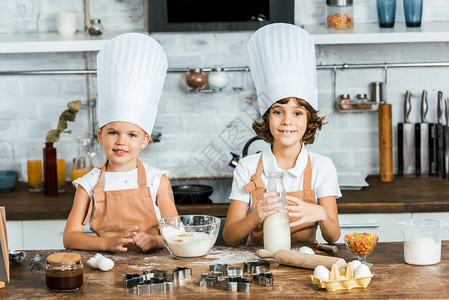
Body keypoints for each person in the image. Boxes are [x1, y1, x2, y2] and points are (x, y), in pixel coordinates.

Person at [223, 23, 341, 247]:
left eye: (297, 113)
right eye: (278, 112)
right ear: (267, 118)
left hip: (305, 265)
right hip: (259, 263)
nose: (287, 121)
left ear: (309, 120)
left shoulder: (322, 167)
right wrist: (255, 216)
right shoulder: (247, 168)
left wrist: (319, 212)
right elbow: (230, 237)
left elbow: (333, 236)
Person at [63, 33, 178, 252]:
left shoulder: (158, 181)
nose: (121, 141)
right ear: (100, 136)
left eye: (132, 135)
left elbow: (176, 234)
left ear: (145, 140)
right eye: (113, 132)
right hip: (104, 268)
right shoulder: (88, 184)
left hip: (153, 271)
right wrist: (107, 243)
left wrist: (155, 241)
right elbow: (70, 238)